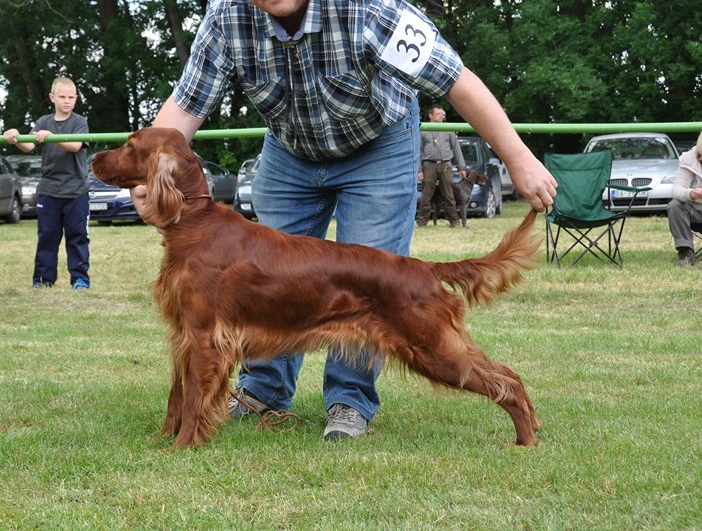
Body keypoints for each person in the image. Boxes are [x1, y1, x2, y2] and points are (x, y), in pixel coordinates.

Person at [133, 0, 557, 440]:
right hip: (291, 149)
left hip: (379, 144)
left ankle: (349, 402)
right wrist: (147, 181)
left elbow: (456, 80)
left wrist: (519, 158)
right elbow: (184, 108)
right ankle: (261, 389)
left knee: (377, 288)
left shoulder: (371, 8)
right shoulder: (226, 15)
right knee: (264, 284)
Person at [3, 77, 92, 290]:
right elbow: (29, 147)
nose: (67, 101)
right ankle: (43, 280)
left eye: (71, 97)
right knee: (47, 237)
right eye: (62, 97)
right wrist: (15, 136)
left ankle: (80, 279)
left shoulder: (79, 122)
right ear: (52, 97)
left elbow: (75, 145)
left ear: (76, 99)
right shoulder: (44, 122)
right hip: (49, 191)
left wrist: (53, 136)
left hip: (76, 191)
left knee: (77, 237)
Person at [417, 104, 466, 228]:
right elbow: (417, 150)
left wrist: (461, 167)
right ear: (430, 115)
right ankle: (422, 222)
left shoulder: (448, 128)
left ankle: (454, 221)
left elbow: (456, 149)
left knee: (449, 194)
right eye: (438, 114)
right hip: (429, 165)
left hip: (446, 164)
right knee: (426, 195)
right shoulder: (423, 129)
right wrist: (419, 170)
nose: (441, 116)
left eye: (442, 114)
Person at [667, 132, 702, 267]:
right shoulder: (689, 160)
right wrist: (691, 193)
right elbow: (676, 190)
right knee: (674, 206)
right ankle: (685, 252)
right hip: (696, 213)